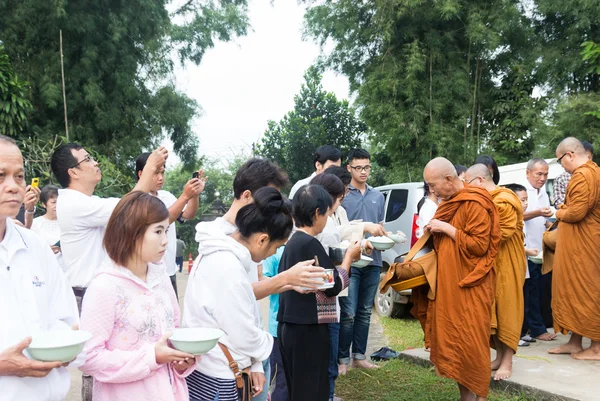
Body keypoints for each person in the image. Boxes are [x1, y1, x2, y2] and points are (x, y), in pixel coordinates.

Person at [80, 191, 195, 400]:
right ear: (132, 231)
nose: (165, 241)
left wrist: (179, 359)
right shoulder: (104, 286)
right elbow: (89, 357)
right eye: (158, 231)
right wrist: (152, 357)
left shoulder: (160, 279)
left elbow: (173, 335)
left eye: (166, 231)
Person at [183, 187, 294, 401]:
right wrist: (267, 343)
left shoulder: (219, 252)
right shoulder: (228, 268)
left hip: (211, 367)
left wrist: (254, 363)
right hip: (217, 378)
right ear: (262, 240)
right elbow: (245, 335)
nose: (272, 253)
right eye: (276, 247)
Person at [0, 135, 79, 401]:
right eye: (1, 176)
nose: (13, 186)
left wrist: (66, 347)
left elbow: (65, 318)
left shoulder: (34, 246)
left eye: (19, 176)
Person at [50, 143, 167, 310]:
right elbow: (128, 206)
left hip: (101, 292)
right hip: (87, 296)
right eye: (88, 159)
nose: (95, 163)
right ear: (73, 172)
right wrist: (149, 168)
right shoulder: (72, 203)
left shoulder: (90, 202)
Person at [423, 157, 501, 401]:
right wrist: (433, 230)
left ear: (449, 179)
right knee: (454, 341)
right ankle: (465, 397)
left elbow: (479, 246)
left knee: (473, 342)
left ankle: (480, 397)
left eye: (433, 185)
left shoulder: (476, 202)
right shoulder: (449, 202)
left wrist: (446, 229)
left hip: (472, 285)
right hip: (450, 284)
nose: (431, 191)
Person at [278, 185, 361, 401]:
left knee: (298, 389)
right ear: (317, 213)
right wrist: (349, 258)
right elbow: (334, 285)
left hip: (290, 327)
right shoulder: (310, 244)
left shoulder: (292, 243)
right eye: (327, 214)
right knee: (312, 390)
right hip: (308, 330)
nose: (327, 219)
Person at [465, 164, 526, 380]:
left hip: (508, 261)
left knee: (507, 309)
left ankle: (507, 361)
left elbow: (503, 233)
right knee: (494, 309)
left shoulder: (504, 199)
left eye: (468, 183)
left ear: (480, 181)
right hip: (491, 263)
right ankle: (499, 357)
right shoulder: (487, 200)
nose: (467, 188)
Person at [547, 137, 600, 360]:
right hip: (577, 246)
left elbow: (577, 213)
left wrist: (556, 212)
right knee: (575, 292)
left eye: (560, 161)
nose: (562, 166)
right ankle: (575, 342)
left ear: (569, 155)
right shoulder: (592, 171)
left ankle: (596, 347)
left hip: (586, 246)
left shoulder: (584, 174)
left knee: (589, 292)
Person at [338, 148, 386, 374]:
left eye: (367, 167)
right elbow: (341, 230)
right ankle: (342, 359)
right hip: (352, 260)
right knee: (348, 313)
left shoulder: (378, 196)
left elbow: (380, 227)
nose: (364, 171)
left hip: (374, 260)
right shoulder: (343, 196)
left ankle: (359, 356)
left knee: (366, 310)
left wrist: (387, 237)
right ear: (349, 168)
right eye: (358, 167)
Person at [135, 152, 205, 297]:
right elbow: (162, 222)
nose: (161, 178)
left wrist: (194, 195)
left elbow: (189, 214)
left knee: (172, 317)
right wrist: (185, 196)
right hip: (147, 274)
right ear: (141, 173)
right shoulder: (137, 200)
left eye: (163, 172)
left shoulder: (166, 196)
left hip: (169, 271)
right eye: (156, 173)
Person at [521, 158, 556, 342]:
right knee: (531, 291)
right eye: (539, 174)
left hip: (541, 250)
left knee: (541, 290)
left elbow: (545, 217)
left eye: (545, 174)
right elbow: (516, 214)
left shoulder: (543, 192)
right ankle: (536, 329)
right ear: (528, 173)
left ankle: (535, 326)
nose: (542, 178)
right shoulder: (521, 191)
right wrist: (538, 213)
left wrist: (549, 222)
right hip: (527, 250)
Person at [262, 247, 288, 401]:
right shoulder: (274, 251)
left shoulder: (303, 244)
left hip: (299, 325)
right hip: (278, 326)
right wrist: (287, 281)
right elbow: (262, 279)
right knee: (279, 376)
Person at [30, 185, 66, 271]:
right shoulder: (35, 223)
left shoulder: (66, 222)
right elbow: (30, 249)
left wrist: (62, 249)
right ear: (44, 204)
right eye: (53, 202)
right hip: (44, 268)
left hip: (65, 270)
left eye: (59, 202)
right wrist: (45, 250)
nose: (57, 206)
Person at [552, 140, 594, 207]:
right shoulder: (561, 179)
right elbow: (559, 204)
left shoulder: (596, 175)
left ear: (592, 157)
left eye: (588, 158)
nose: (585, 161)